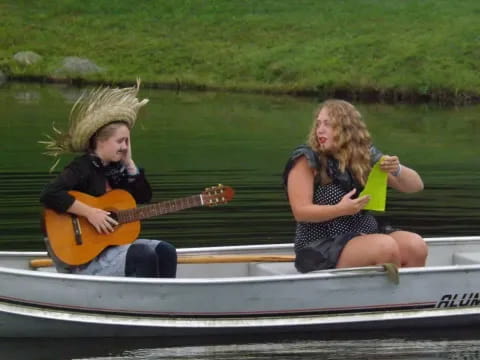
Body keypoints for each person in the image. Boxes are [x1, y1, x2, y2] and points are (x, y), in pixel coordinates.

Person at [40, 80, 177, 278]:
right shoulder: (82, 167)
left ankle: (164, 302)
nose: (124, 146)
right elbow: (50, 194)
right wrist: (90, 213)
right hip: (83, 256)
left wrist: (129, 163)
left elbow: (144, 196)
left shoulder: (118, 169)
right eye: (120, 141)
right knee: (142, 255)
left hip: (109, 248)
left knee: (164, 250)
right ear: (100, 141)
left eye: (127, 142)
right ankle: (136, 305)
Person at [283, 99, 427, 273]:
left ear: (347, 129)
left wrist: (397, 169)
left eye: (328, 124)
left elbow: (415, 186)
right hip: (321, 244)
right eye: (318, 124)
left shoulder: (364, 157)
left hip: (365, 234)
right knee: (385, 247)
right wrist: (340, 209)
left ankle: (407, 299)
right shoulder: (306, 160)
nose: (320, 130)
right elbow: (301, 212)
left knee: (415, 245)